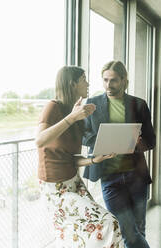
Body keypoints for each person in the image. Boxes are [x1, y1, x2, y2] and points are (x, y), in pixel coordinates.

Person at [36, 65, 124, 248]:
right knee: (109, 223)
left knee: (83, 234)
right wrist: (72, 118)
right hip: (56, 188)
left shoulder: (74, 110)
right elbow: (40, 140)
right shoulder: (53, 107)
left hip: (73, 181)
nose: (88, 83)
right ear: (72, 84)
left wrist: (93, 159)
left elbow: (70, 158)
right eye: (84, 79)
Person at [82, 61, 156, 248]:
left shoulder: (139, 105)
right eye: (105, 80)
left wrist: (140, 143)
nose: (109, 85)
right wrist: (102, 139)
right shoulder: (92, 104)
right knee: (128, 231)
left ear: (124, 80)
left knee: (138, 228)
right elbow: (84, 135)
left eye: (113, 80)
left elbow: (151, 140)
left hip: (136, 175)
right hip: (109, 177)